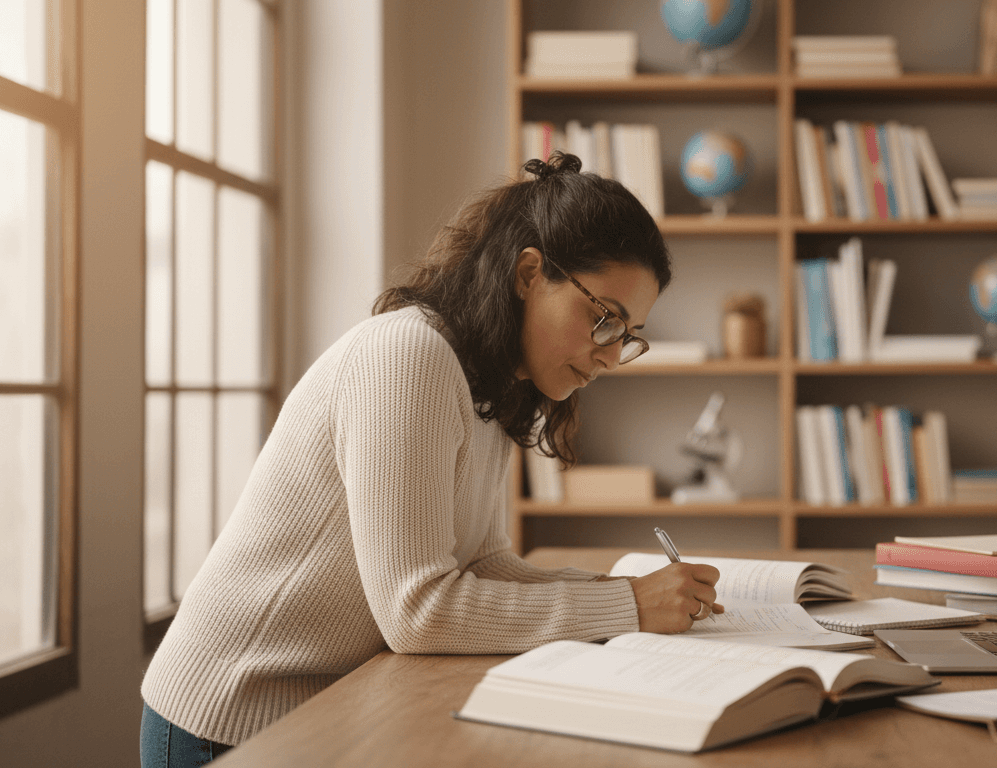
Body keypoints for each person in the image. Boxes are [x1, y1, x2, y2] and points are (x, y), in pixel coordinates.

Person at [140, 153, 723, 767]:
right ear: (529, 273)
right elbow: (417, 611)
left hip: (324, 706)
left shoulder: (494, 381)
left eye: (626, 334)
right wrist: (627, 606)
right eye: (603, 318)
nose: (609, 355)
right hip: (228, 719)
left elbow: (484, 561)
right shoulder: (408, 356)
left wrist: (628, 594)